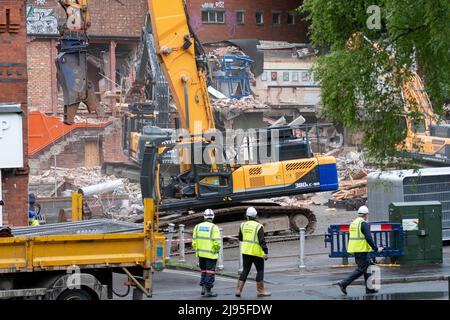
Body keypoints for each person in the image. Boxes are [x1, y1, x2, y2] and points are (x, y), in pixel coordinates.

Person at [337, 205, 383, 295]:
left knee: (367, 268)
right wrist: (376, 248)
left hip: (357, 249)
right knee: (361, 269)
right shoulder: (363, 223)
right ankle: (344, 283)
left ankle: (369, 289)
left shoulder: (353, 223)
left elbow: (351, 236)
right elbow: (368, 237)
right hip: (361, 249)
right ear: (366, 215)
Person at [235, 207, 271, 298]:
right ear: (255, 216)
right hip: (256, 252)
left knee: (245, 270)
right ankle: (260, 291)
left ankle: (238, 290)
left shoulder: (242, 225)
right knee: (260, 270)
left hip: (246, 251)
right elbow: (261, 240)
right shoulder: (258, 226)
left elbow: (240, 238)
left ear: (247, 216)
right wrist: (265, 251)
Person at [192, 209, 221, 297]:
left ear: (204, 216)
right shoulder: (214, 227)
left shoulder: (197, 227)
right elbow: (217, 243)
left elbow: (194, 242)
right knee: (210, 272)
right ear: (213, 217)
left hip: (201, 254)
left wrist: (199, 249)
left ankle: (203, 288)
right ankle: (208, 291)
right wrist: (216, 251)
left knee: (203, 271)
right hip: (211, 254)